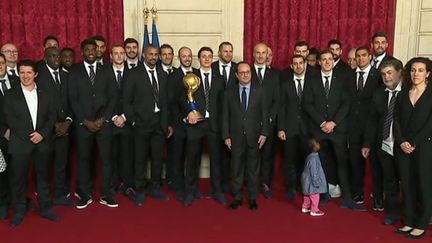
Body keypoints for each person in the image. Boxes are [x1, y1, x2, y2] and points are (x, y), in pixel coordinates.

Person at [303, 49, 365, 211]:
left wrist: (334, 123)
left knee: (342, 163)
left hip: (337, 130)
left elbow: (346, 104)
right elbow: (307, 104)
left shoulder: (342, 79)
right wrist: (323, 122)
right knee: (321, 163)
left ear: (333, 60)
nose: (327, 62)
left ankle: (347, 198)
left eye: (330, 59)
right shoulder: (312, 80)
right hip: (319, 129)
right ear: (319, 62)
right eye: (324, 59)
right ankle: (323, 195)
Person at [4, 60, 58, 227]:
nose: (25, 76)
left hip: (42, 143)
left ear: (35, 74)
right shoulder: (10, 95)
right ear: (18, 74)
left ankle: (46, 208)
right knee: (18, 179)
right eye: (22, 73)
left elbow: (51, 117)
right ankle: (20, 210)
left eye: (29, 72)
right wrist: (28, 135)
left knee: (43, 177)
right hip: (20, 143)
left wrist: (42, 133)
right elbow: (9, 119)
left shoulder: (46, 93)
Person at [68, 38, 118, 209]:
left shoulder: (107, 69)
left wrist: (103, 119)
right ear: (82, 52)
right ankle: (84, 194)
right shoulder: (74, 71)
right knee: (83, 159)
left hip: (103, 123)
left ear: (98, 51)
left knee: (106, 160)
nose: (91, 52)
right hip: (84, 124)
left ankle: (106, 194)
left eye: (93, 49)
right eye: (87, 49)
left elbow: (113, 97)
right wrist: (85, 121)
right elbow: (72, 99)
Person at [123, 44, 173, 206]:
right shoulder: (133, 73)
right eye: (150, 54)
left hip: (159, 123)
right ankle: (140, 190)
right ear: (144, 55)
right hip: (141, 124)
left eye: (156, 54)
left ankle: (155, 187)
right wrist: (133, 120)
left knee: (158, 158)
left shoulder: (162, 73)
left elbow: (166, 102)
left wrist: (166, 123)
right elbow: (127, 101)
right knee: (140, 159)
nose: (153, 57)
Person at [393, 57, 432, 239]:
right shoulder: (402, 93)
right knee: (407, 185)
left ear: (428, 74)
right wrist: (401, 141)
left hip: (424, 147)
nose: (416, 73)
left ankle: (421, 223)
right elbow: (397, 121)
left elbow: (430, 124)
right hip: (404, 147)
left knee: (423, 185)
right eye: (413, 70)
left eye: (420, 70)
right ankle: (408, 221)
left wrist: (414, 141)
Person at [362, 59, 404, 225]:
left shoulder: (409, 91)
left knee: (408, 181)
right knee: (390, 180)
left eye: (390, 73)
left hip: (404, 146)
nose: (386, 77)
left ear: (399, 72)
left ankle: (411, 212)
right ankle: (393, 212)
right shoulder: (378, 93)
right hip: (385, 143)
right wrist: (366, 144)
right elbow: (372, 121)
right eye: (383, 74)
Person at [223, 62, 269, 211]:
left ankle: (252, 198)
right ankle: (237, 197)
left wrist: (264, 133)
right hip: (235, 137)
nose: (245, 75)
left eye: (247, 72)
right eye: (241, 72)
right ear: (236, 75)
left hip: (254, 137)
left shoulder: (260, 91)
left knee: (253, 170)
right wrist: (226, 136)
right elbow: (224, 117)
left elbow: (265, 114)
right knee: (236, 168)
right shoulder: (228, 93)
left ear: (251, 73)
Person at [183, 46, 225, 207]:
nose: (206, 59)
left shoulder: (219, 79)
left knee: (216, 160)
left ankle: (217, 190)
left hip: (214, 125)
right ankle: (190, 191)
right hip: (196, 125)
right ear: (199, 59)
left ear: (212, 59)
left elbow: (223, 103)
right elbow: (183, 99)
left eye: (209, 56)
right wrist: (189, 113)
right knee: (192, 160)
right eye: (203, 56)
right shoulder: (191, 77)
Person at [37, 47, 74, 206]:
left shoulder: (66, 76)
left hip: (64, 129)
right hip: (46, 129)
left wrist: (67, 121)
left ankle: (60, 194)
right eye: (52, 56)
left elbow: (72, 101)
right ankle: (44, 197)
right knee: (44, 165)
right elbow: (37, 106)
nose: (56, 59)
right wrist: (53, 125)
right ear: (45, 59)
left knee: (61, 164)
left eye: (58, 56)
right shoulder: (39, 77)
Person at [347, 46, 383, 207]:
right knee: (355, 163)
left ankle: (378, 196)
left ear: (370, 56)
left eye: (363, 55)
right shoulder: (349, 76)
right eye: (358, 56)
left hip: (373, 127)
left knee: (376, 164)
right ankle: (358, 193)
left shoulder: (378, 76)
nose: (360, 59)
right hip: (353, 127)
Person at [278, 55, 311, 200]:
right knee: (289, 160)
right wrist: (281, 128)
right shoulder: (285, 84)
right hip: (290, 128)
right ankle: (291, 188)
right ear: (291, 66)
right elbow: (281, 108)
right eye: (295, 64)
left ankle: (304, 185)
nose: (298, 66)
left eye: (300, 63)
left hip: (307, 129)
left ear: (305, 65)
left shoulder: (313, 83)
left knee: (305, 159)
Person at [167, 46, 197, 199]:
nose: (187, 58)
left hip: (196, 125)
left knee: (193, 157)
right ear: (179, 58)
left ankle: (192, 186)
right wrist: (185, 116)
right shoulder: (174, 76)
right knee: (178, 156)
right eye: (184, 56)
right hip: (179, 123)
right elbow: (171, 101)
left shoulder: (197, 74)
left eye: (189, 55)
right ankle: (179, 187)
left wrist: (195, 114)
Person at [252, 43, 280, 199]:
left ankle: (265, 184)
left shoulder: (275, 74)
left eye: (264, 53)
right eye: (258, 53)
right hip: (250, 123)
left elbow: (277, 100)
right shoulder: (246, 71)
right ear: (253, 54)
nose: (261, 55)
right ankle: (252, 183)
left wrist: (269, 118)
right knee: (252, 155)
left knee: (267, 155)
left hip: (269, 123)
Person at [107, 45, 134, 200]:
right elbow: (101, 98)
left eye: (121, 53)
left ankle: (127, 185)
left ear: (125, 55)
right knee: (111, 156)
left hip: (127, 122)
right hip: (110, 123)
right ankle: (112, 185)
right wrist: (113, 117)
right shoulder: (103, 73)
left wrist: (124, 116)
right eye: (115, 53)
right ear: (110, 55)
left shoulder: (133, 73)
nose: (119, 56)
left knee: (127, 155)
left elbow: (136, 99)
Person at [0, 53, 19, 219]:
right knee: (2, 172)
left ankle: (18, 201)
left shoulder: (16, 81)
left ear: (6, 64)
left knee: (18, 170)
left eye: (1, 63)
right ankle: (3, 203)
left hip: (18, 135)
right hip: (1, 137)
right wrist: (4, 131)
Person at [301, 138, 327, 216]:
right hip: (311, 181)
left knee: (307, 194)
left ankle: (305, 207)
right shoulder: (314, 158)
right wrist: (316, 182)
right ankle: (314, 210)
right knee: (315, 195)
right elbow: (314, 171)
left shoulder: (309, 156)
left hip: (306, 179)